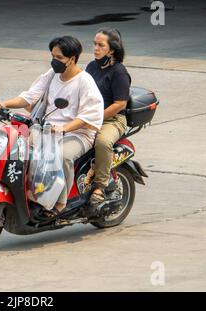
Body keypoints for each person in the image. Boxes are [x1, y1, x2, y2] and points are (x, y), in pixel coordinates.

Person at [0, 36, 103, 216]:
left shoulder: (85, 81)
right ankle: (30, 192)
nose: (54, 61)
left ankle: (60, 203)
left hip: (78, 133)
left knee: (61, 155)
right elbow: (29, 96)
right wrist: (4, 104)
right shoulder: (52, 75)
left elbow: (88, 116)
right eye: (52, 56)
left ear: (72, 59)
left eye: (59, 58)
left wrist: (64, 128)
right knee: (18, 148)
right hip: (46, 130)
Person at [85, 27, 131, 206]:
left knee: (102, 142)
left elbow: (120, 104)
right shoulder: (91, 66)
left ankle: (100, 187)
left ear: (111, 49)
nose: (95, 48)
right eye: (94, 44)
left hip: (113, 120)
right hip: (89, 117)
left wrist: (96, 118)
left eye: (100, 45)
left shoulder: (119, 72)